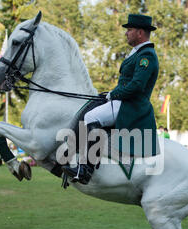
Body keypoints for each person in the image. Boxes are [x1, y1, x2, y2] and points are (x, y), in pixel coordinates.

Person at [62, 13, 160, 184]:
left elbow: (137, 85)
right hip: (123, 101)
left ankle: (86, 169)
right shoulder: (137, 53)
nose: (126, 33)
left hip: (132, 106)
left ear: (140, 33)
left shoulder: (147, 56)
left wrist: (114, 94)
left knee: (90, 117)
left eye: (129, 30)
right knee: (92, 109)